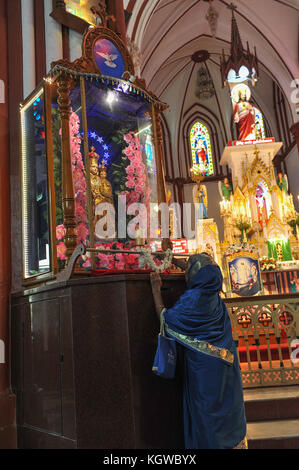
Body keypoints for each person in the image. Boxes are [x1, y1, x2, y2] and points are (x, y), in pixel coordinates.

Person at [150, 253, 247, 449]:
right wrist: (173, 259)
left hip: (203, 371)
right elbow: (198, 269)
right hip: (225, 367)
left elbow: (166, 319)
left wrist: (155, 291)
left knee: (207, 413)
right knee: (226, 409)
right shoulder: (214, 296)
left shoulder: (193, 298)